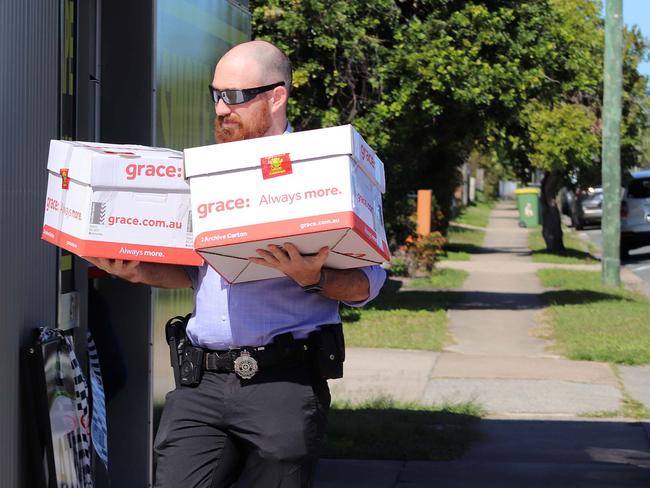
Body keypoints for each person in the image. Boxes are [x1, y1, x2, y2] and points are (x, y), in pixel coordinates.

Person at [86, 40, 386, 488]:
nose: (222, 108)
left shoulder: (324, 170)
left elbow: (370, 282)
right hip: (200, 384)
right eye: (216, 95)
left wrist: (314, 277)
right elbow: (197, 271)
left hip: (281, 385)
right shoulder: (206, 172)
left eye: (236, 96)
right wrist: (135, 269)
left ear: (277, 96)